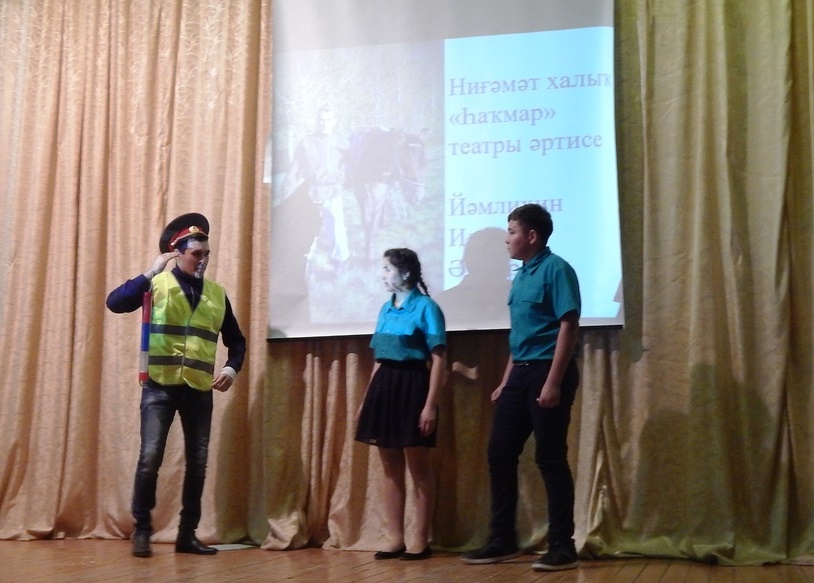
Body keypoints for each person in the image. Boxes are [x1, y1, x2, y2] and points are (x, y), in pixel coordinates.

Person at [106, 213, 246, 558]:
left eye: (207, 254)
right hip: (159, 385)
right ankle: (142, 530)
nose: (203, 260)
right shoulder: (157, 284)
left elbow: (237, 341)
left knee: (198, 462)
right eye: (197, 254)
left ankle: (187, 534)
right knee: (149, 458)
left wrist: (231, 369)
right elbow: (115, 302)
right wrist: (149, 272)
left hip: (198, 388)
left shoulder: (217, 294)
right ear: (177, 254)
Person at [461, 204, 581, 572]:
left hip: (548, 370)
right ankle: (502, 540)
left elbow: (568, 325)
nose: (506, 239)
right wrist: (505, 381)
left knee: (549, 456)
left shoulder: (557, 269)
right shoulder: (521, 276)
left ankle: (562, 545)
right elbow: (520, 336)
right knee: (499, 452)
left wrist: (554, 381)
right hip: (520, 374)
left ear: (531, 236)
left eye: (512, 231)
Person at [355, 248, 446, 561]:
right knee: (390, 468)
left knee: (418, 468)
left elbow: (438, 359)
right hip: (384, 388)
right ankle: (395, 537)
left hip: (413, 387)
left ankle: (420, 539)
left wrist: (430, 405)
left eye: (387, 269)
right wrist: (366, 400)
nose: (382, 275)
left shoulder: (427, 307)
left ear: (406, 273)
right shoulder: (385, 308)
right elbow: (379, 359)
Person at [280, 104, 350, 264]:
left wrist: (340, 178)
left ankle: (340, 260)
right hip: (311, 193)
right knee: (307, 228)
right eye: (321, 120)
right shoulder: (306, 142)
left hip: (333, 193)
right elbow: (295, 170)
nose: (324, 123)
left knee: (336, 228)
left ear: (334, 121)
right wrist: (287, 193)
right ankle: (306, 260)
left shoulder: (342, 143)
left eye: (328, 120)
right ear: (316, 121)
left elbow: (350, 168)